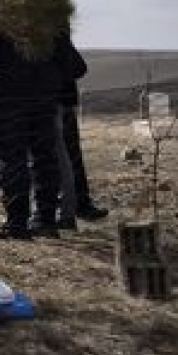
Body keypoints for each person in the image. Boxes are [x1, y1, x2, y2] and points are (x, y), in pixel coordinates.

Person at [0, 0, 64, 238]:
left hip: (9, 94)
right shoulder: (45, 2)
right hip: (44, 93)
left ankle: (16, 223)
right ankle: (46, 219)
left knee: (11, 158)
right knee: (44, 156)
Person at [51, 25, 108, 228]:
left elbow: (79, 67)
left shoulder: (50, 35)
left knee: (61, 157)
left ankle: (72, 207)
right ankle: (78, 205)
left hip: (55, 103)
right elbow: (78, 67)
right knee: (69, 156)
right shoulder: (56, 35)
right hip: (61, 101)